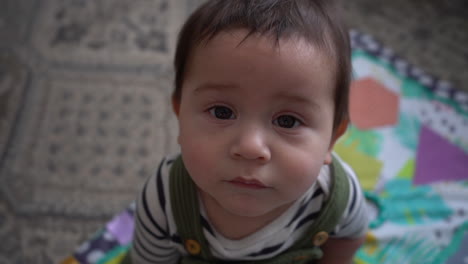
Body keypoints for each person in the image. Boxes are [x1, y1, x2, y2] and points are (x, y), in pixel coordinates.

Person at [130, 0, 368, 263]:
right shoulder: (163, 198)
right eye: (222, 112)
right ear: (179, 113)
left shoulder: (337, 195)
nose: (250, 147)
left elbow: (349, 238)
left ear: (333, 138)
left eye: (288, 121)